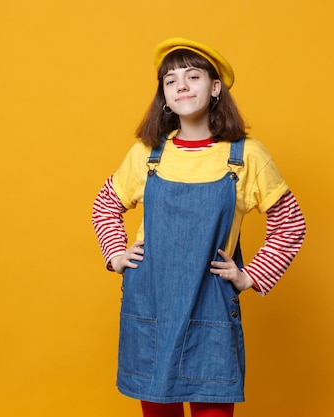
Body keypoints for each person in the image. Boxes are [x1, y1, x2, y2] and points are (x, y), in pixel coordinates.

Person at [91, 37, 306, 417]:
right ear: (164, 95)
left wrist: (250, 276)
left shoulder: (245, 156)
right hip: (152, 303)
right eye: (171, 81)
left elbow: (290, 224)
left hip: (211, 306)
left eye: (193, 76)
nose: (182, 86)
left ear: (215, 87)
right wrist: (116, 254)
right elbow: (106, 205)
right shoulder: (147, 155)